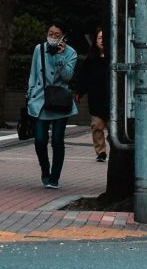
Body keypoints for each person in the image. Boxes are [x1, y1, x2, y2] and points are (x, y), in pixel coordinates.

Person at [27, 23, 78, 189]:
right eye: (50, 33)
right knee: (40, 139)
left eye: (57, 34)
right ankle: (45, 170)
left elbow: (67, 77)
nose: (53, 36)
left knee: (57, 140)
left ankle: (54, 177)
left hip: (60, 103)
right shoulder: (39, 49)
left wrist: (60, 57)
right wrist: (30, 93)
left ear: (63, 37)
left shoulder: (71, 53)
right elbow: (33, 73)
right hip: (40, 100)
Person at [74, 28, 112, 164]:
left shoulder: (114, 58)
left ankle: (114, 148)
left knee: (113, 129)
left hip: (113, 99)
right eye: (99, 38)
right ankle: (101, 152)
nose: (102, 41)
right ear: (95, 41)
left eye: (104, 38)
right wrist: (79, 92)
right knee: (97, 126)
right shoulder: (91, 59)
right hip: (96, 98)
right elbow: (83, 77)